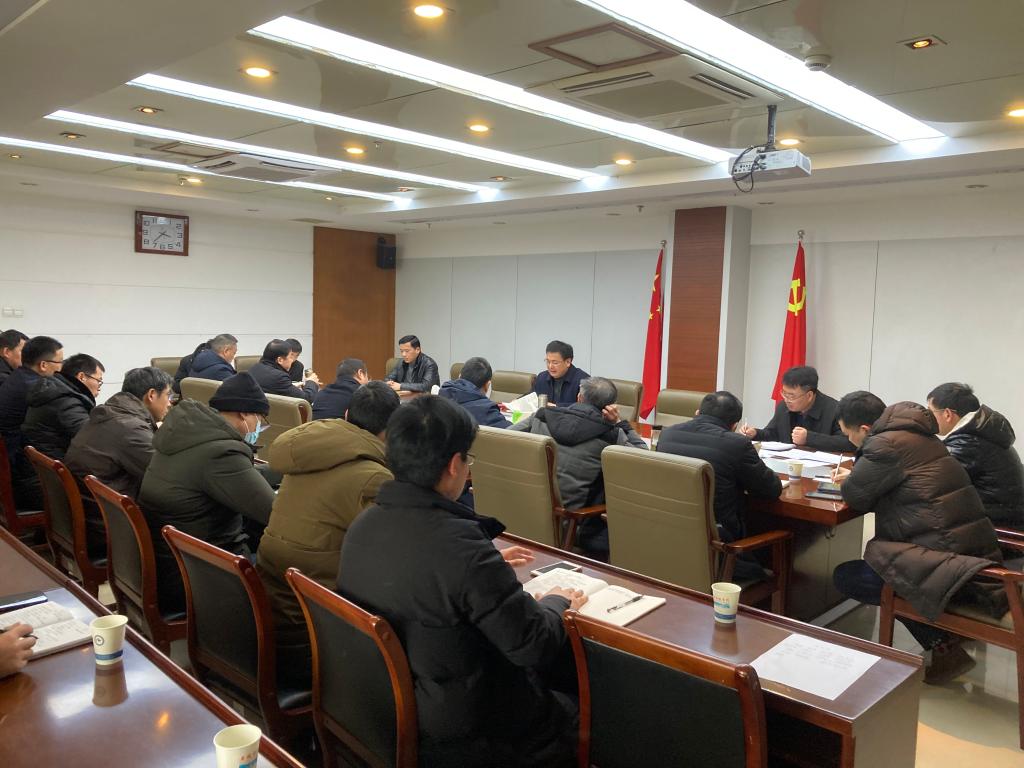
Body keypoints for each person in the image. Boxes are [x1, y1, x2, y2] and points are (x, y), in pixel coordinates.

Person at [338, 396, 585, 767]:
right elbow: (533, 645)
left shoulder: (364, 525)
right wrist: (557, 601)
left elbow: (427, 570)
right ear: (455, 465)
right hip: (466, 731)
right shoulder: (460, 549)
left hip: (381, 706)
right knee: (586, 707)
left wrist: (485, 565)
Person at [830, 392, 1005, 684]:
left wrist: (851, 477)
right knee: (886, 564)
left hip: (950, 567)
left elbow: (856, 496)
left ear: (864, 429)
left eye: (848, 434)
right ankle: (946, 637)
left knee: (851, 576)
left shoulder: (883, 445)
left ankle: (944, 646)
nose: (849, 441)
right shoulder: (921, 437)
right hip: (970, 557)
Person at [257, 381, 400, 687]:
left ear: (346, 415)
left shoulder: (306, 453)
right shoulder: (374, 477)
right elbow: (392, 562)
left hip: (271, 617)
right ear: (393, 430)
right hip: (313, 639)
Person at [139, 372, 275, 614]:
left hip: (172, 562)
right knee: (290, 561)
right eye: (260, 419)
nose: (259, 427)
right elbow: (273, 513)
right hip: (202, 576)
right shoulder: (222, 453)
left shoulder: (186, 435)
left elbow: (227, 477)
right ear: (244, 414)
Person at [511, 376, 646, 558]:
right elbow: (644, 458)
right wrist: (620, 423)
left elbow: (502, 437)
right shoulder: (612, 435)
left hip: (527, 512)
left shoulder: (542, 416)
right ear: (610, 408)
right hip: (574, 525)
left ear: (579, 397)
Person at [658, 391, 782, 543]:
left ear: (697, 413)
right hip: (719, 539)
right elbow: (771, 490)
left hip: (669, 530)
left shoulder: (667, 435)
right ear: (734, 426)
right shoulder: (737, 444)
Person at [66, 366, 174, 500]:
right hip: (106, 508)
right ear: (151, 395)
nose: (170, 403)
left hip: (87, 499)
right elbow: (167, 475)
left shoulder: (111, 412)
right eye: (168, 395)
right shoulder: (131, 428)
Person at [927, 382, 1024, 530]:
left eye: (930, 412)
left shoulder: (967, 443)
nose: (927, 418)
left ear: (947, 414)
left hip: (999, 525)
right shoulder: (984, 433)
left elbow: (933, 481)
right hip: (1011, 515)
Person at [0, 335, 63, 509]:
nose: (61, 368)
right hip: (23, 476)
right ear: (43, 365)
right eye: (60, 362)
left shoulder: (17, 377)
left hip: (13, 464)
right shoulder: (36, 389)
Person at [742, 366, 853, 452]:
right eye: (784, 393)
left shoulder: (835, 410)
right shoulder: (783, 407)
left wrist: (809, 438)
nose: (786, 400)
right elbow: (772, 433)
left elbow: (849, 443)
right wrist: (755, 433)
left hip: (826, 469)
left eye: (791, 396)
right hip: (788, 464)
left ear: (809, 395)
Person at [22, 353, 104, 461]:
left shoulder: (54, 390)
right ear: (82, 377)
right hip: (56, 463)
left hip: (41, 459)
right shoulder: (67, 402)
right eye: (99, 381)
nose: (99, 387)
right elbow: (92, 439)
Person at [438, 356, 509, 428]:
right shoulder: (488, 412)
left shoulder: (440, 398)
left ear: (459, 376)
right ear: (487, 385)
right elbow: (510, 432)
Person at [249, 339, 320, 402]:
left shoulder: (254, 368)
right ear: (280, 360)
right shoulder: (279, 377)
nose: (292, 360)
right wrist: (311, 382)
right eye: (290, 357)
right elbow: (306, 399)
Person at [533, 340, 589, 407]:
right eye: (548, 361)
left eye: (555, 363)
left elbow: (587, 408)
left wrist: (556, 406)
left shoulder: (584, 381)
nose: (550, 366)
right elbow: (530, 399)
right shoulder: (542, 377)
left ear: (568, 362)